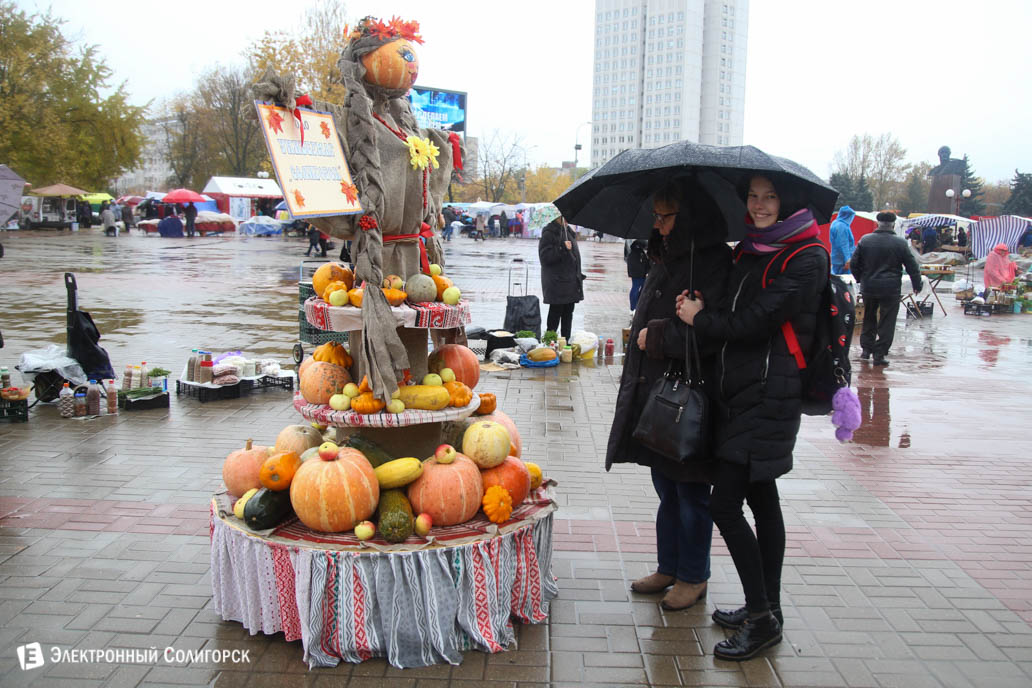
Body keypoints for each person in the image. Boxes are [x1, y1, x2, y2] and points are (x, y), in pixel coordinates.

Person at [675, 174, 827, 661]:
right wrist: (698, 300)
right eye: (754, 197)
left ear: (789, 203)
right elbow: (732, 309)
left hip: (769, 394)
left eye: (771, 197)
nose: (759, 205)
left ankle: (762, 621)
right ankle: (768, 607)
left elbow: (751, 323)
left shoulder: (807, 256)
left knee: (725, 507)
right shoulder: (754, 249)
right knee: (763, 499)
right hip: (740, 393)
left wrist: (701, 320)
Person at [605, 179, 731, 612]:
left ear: (688, 217)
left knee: (691, 489)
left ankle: (693, 575)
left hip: (691, 397)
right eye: (655, 216)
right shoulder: (668, 253)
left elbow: (710, 333)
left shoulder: (711, 261)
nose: (656, 225)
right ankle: (670, 565)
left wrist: (653, 337)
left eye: (665, 216)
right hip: (661, 390)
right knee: (666, 483)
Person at [850, 211, 922, 366]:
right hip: (891, 288)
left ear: (878, 224)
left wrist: (860, 279)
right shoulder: (900, 243)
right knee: (887, 321)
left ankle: (866, 350)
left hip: (869, 286)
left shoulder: (865, 240)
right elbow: (912, 266)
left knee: (868, 317)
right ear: (893, 225)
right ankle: (879, 353)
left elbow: (854, 264)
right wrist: (917, 284)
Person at [538, 216, 584, 340]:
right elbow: (545, 258)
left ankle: (565, 344)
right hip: (557, 284)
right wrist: (562, 248)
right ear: (558, 217)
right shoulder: (549, 233)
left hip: (570, 283)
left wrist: (578, 274)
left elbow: (572, 257)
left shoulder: (568, 231)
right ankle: (549, 343)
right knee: (555, 315)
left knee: (568, 315)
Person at [624, 238, 650, 314]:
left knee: (636, 287)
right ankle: (634, 307)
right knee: (638, 288)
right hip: (640, 273)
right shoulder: (640, 252)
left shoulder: (632, 251)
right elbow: (646, 263)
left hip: (634, 271)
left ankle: (633, 308)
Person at [829, 205, 855, 274]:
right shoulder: (842, 226)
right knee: (844, 281)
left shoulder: (834, 223)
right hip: (843, 261)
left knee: (836, 279)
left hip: (836, 257)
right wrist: (847, 259)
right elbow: (844, 243)